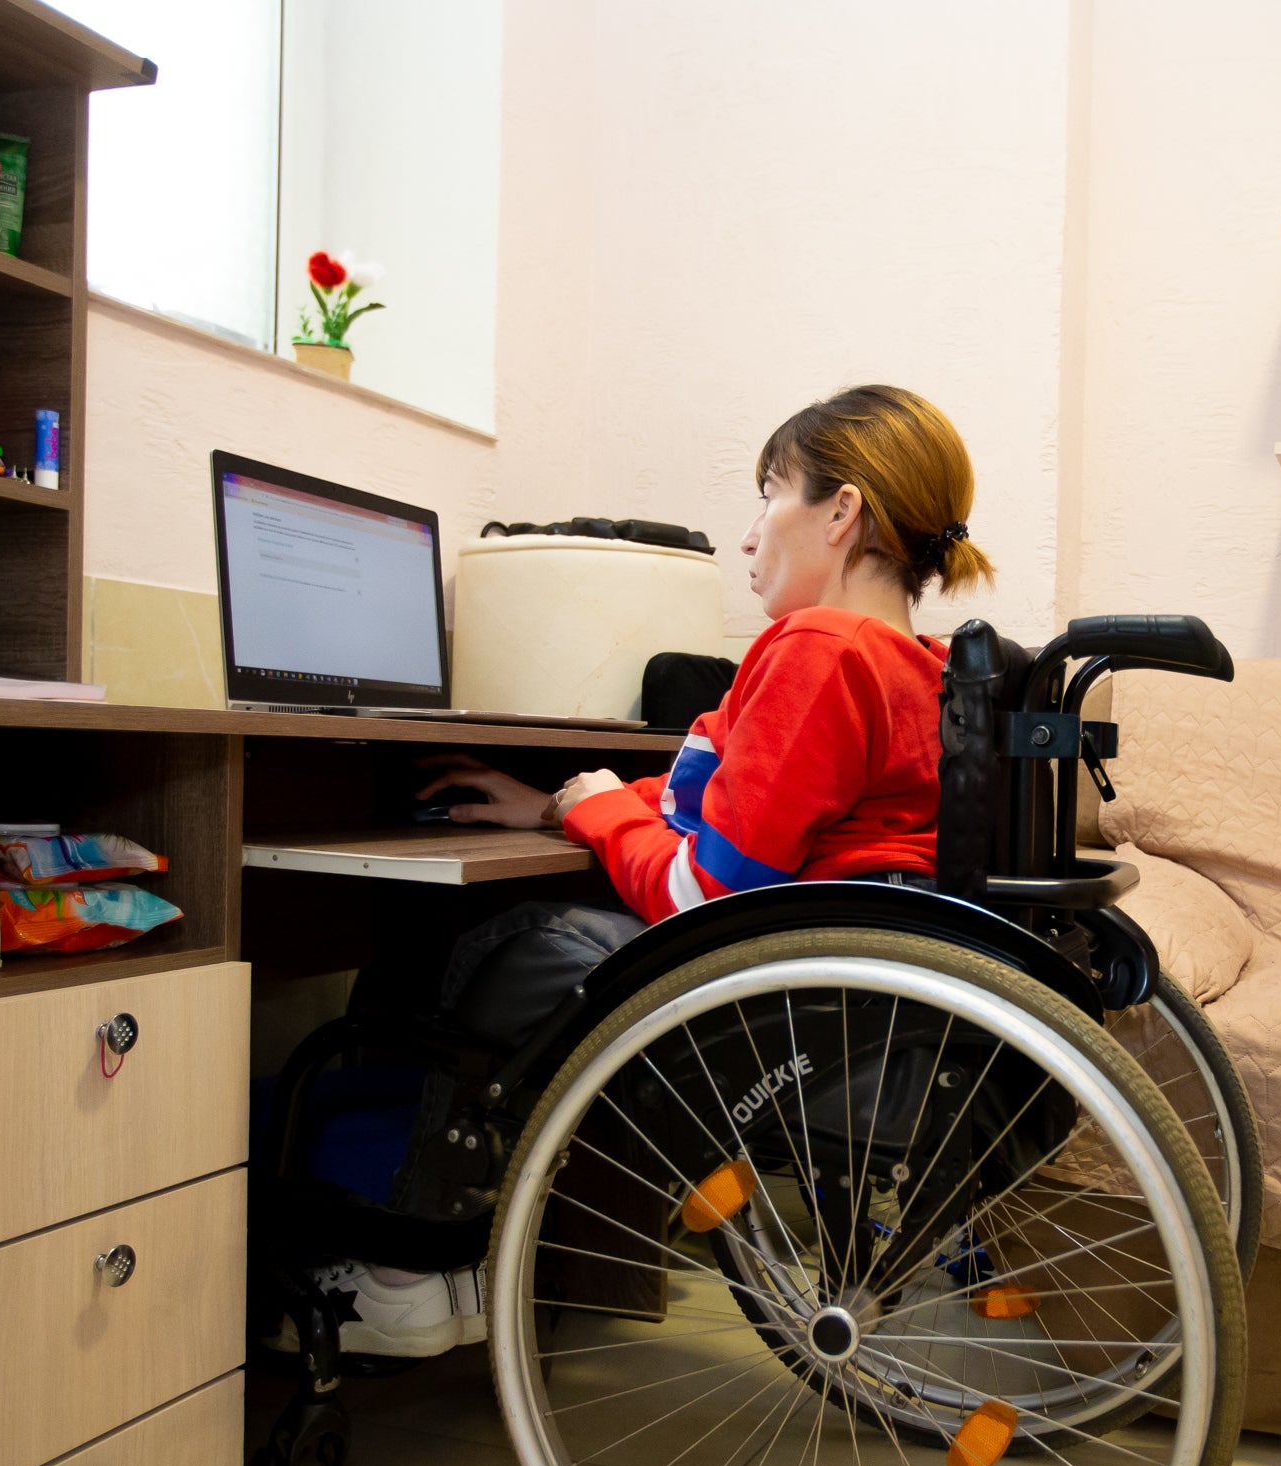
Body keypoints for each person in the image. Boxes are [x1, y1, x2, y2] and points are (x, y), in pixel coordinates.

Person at [304, 383, 995, 1356]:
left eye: (771, 493)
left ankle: (405, 1270)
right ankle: (458, 1264)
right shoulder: (916, 665)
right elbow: (715, 805)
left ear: (841, 513)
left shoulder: (818, 652)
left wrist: (589, 808)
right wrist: (568, 802)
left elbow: (701, 890)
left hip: (775, 1004)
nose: (750, 536)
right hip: (860, 999)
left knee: (488, 945)